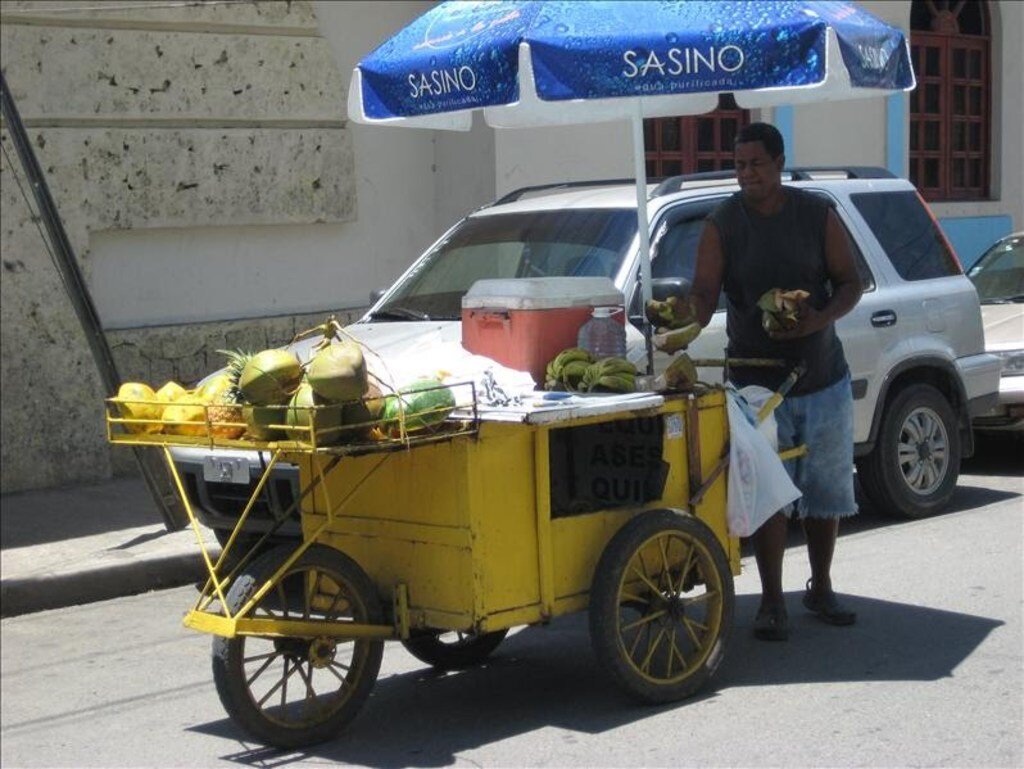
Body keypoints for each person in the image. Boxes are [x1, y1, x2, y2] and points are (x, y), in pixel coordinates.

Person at [689, 122, 863, 641]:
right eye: (739, 166)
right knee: (768, 493)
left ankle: (823, 585)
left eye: (756, 165)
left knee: (825, 490)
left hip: (821, 375)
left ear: (778, 163)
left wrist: (821, 316)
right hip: (755, 384)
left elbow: (852, 281)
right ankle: (770, 602)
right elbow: (704, 293)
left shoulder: (816, 213)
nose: (746, 175)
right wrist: (682, 321)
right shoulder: (723, 223)